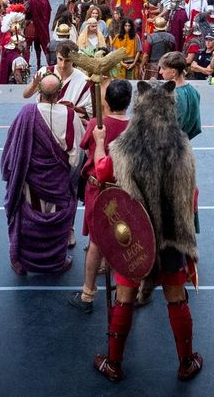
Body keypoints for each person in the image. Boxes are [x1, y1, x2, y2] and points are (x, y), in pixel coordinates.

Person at [93, 80, 201, 383]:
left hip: (135, 237)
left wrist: (100, 143)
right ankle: (186, 361)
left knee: (124, 297)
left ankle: (114, 362)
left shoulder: (123, 147)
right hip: (172, 236)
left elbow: (101, 172)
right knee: (176, 298)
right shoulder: (183, 147)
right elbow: (192, 196)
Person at [0, 73, 77, 275]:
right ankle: (56, 261)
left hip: (30, 182)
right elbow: (75, 155)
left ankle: (23, 260)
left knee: (28, 220)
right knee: (56, 222)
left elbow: (13, 145)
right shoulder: (70, 115)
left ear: (39, 92)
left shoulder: (27, 113)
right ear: (60, 92)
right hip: (58, 182)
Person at [73, 78, 133, 312]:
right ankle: (125, 294)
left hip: (99, 189)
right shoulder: (136, 127)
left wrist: (98, 136)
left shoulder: (97, 125)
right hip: (126, 190)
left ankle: (87, 294)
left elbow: (85, 147)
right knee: (125, 238)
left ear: (106, 101)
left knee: (96, 241)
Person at [159, 52, 202, 139]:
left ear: (173, 72)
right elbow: (196, 124)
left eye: (163, 68)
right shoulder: (194, 91)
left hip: (171, 141)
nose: (160, 72)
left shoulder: (172, 96)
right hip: (186, 140)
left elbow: (172, 125)